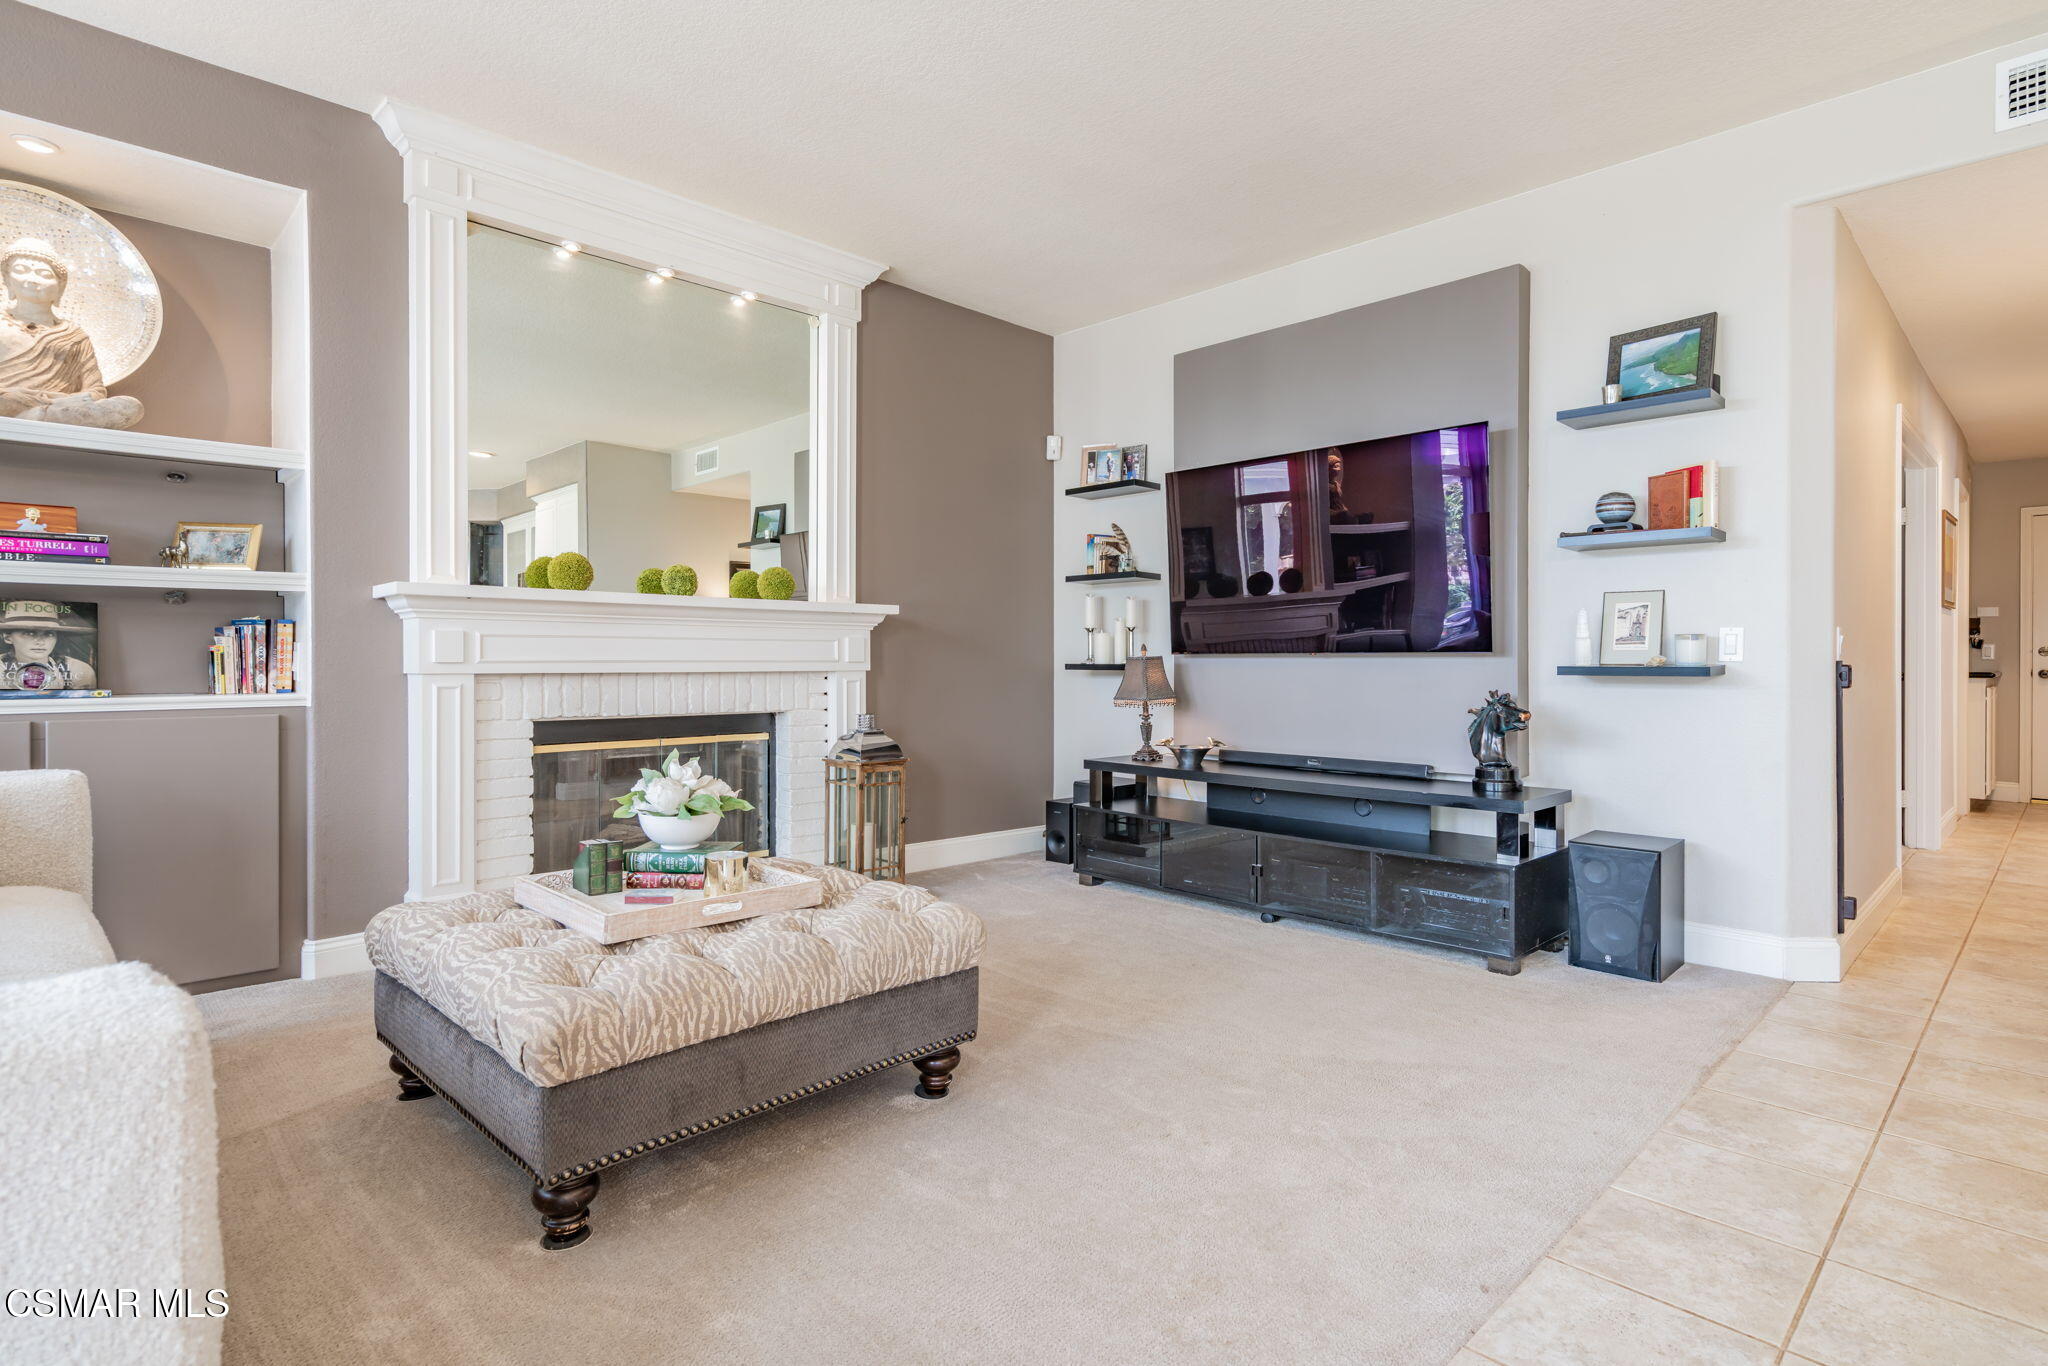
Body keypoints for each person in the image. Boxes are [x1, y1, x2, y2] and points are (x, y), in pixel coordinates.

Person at [0, 238, 144, 430]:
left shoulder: (75, 336)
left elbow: (96, 391)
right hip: (7, 402)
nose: (32, 280)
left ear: (60, 287)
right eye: (21, 270)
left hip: (60, 405)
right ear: (7, 280)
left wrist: (57, 400)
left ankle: (34, 418)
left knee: (130, 406)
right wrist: (15, 395)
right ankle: (33, 418)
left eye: (43, 274)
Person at [0, 599, 96, 690]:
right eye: (29, 633)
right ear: (7, 638)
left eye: (49, 634)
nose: (40, 641)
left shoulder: (77, 669)